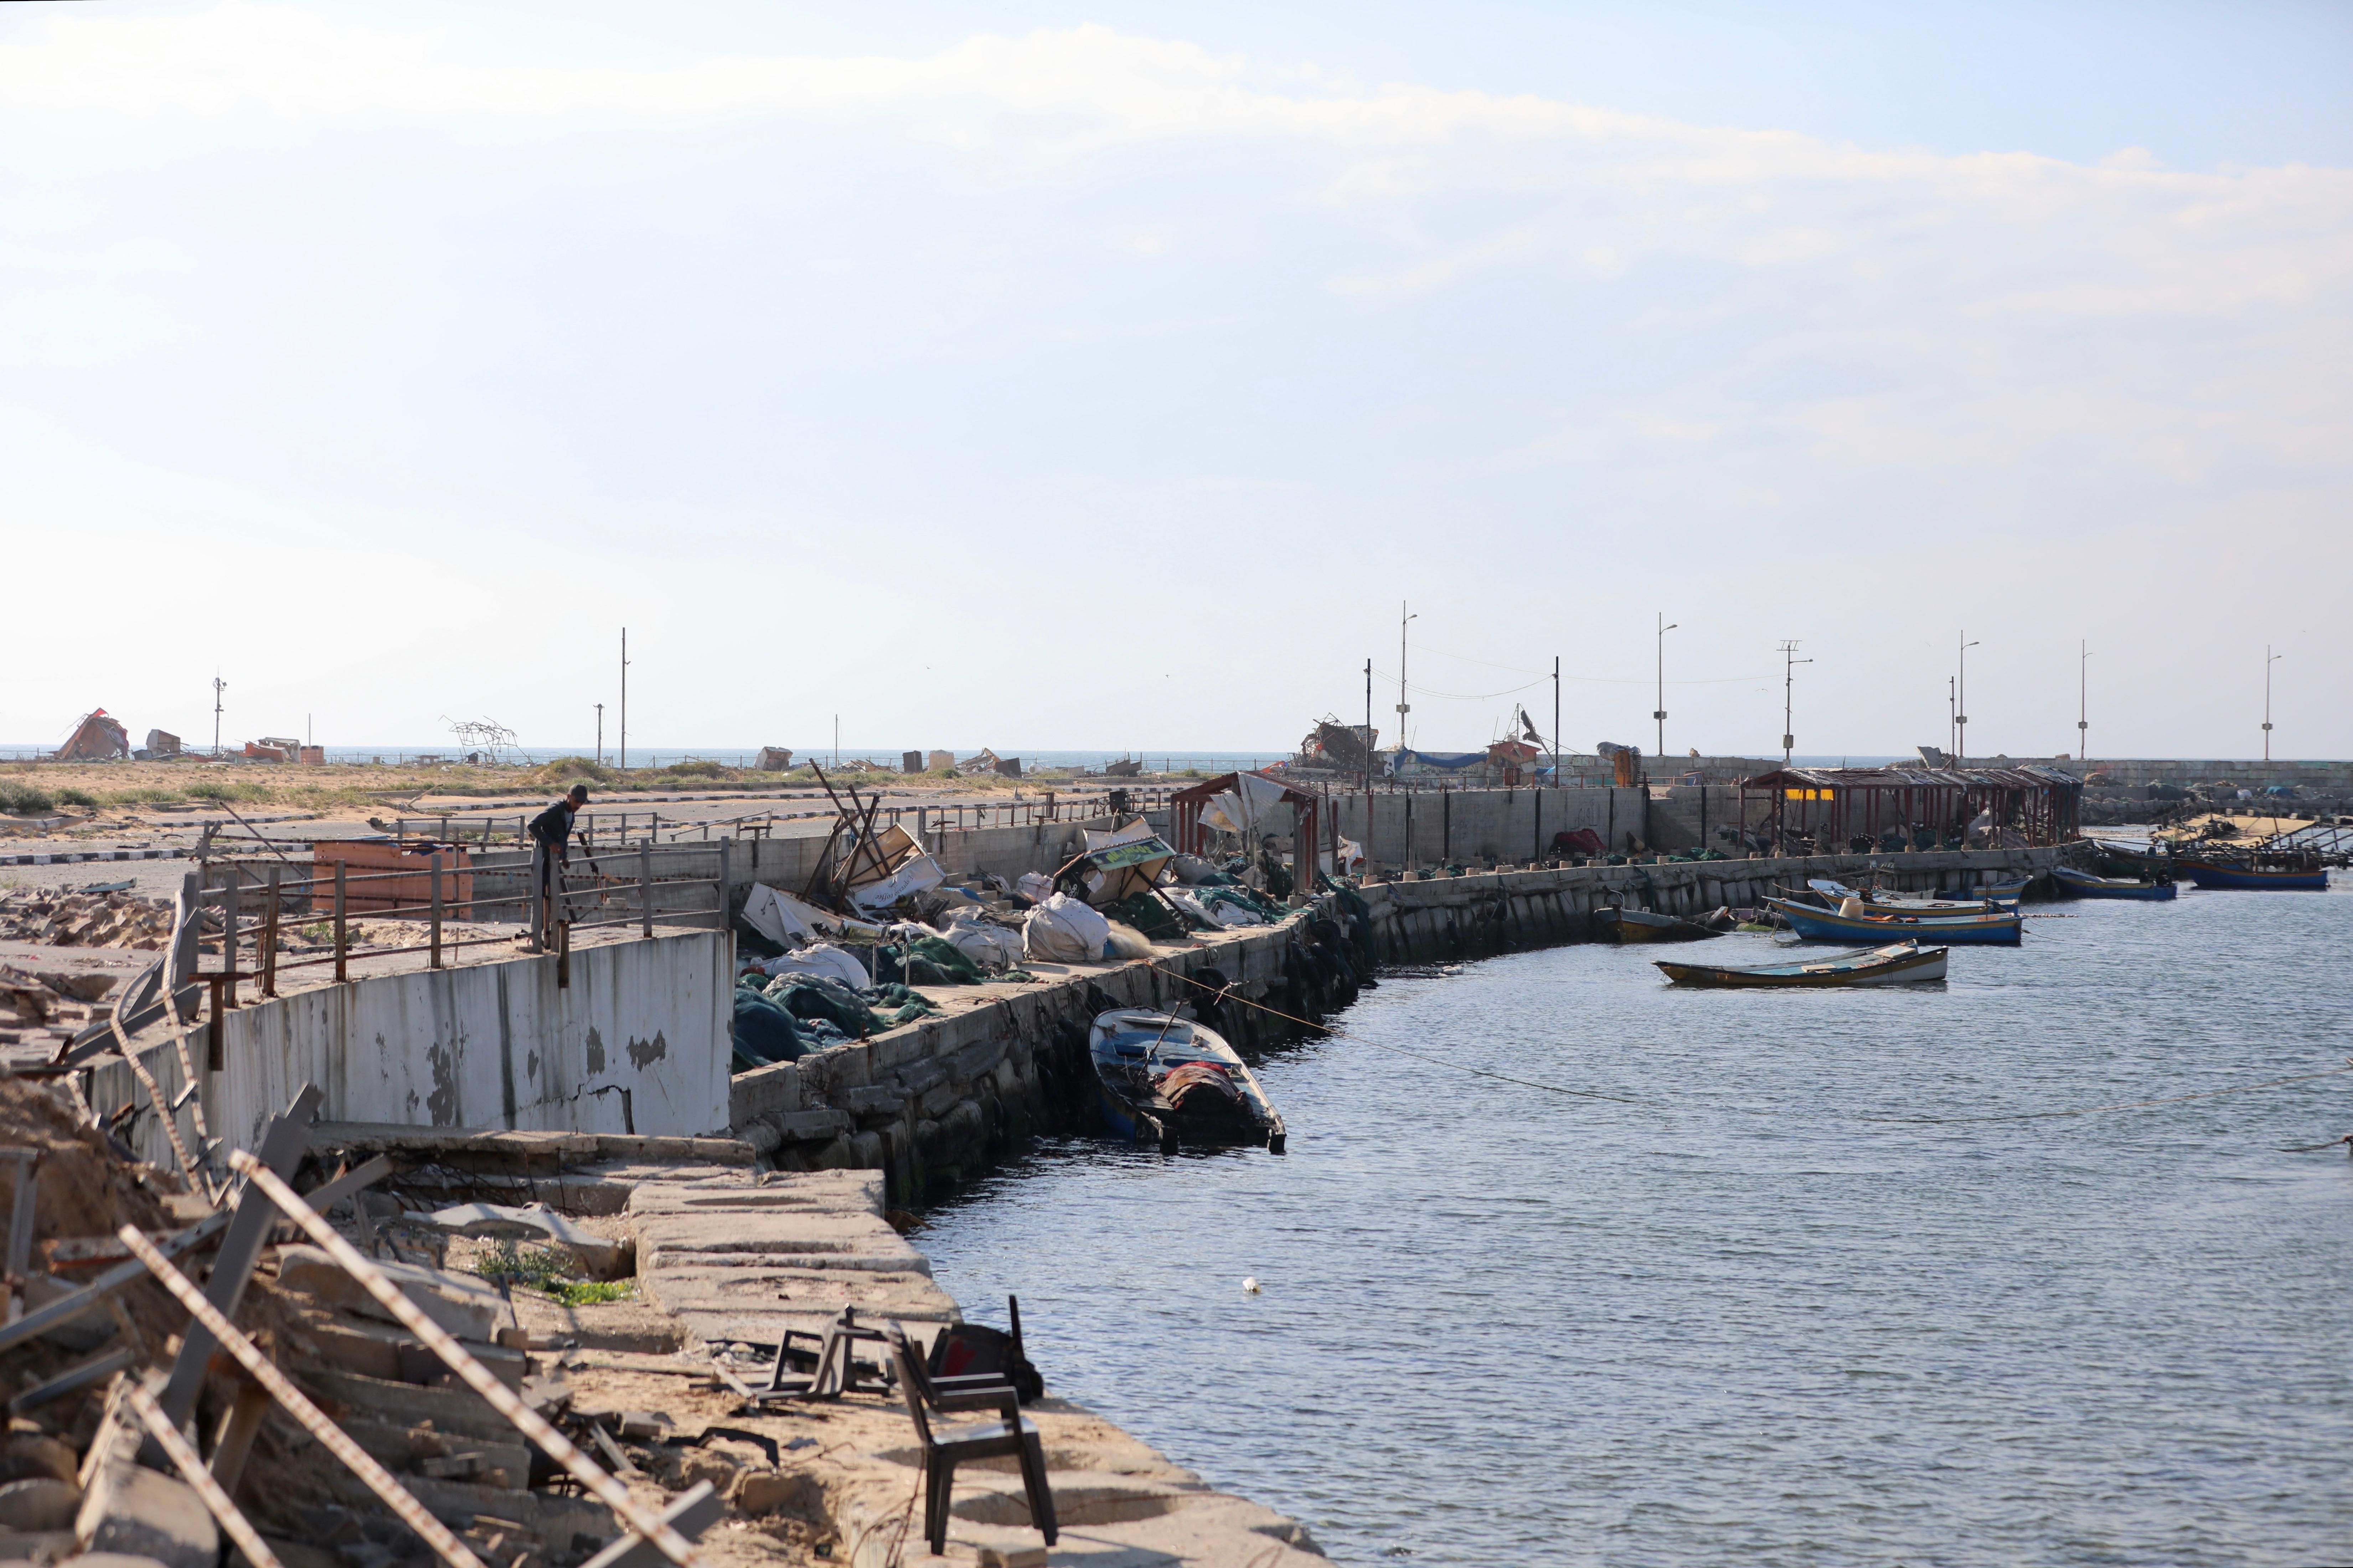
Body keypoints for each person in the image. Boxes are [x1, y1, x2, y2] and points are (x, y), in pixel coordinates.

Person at [527, 784, 589, 940]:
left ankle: (549, 935)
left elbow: (562, 837)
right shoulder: (556, 809)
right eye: (577, 801)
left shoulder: (570, 814)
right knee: (540, 898)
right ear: (568, 797)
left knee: (552, 899)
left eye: (582, 803)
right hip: (542, 859)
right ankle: (536, 936)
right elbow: (533, 826)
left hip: (555, 861)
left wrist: (565, 856)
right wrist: (549, 844)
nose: (579, 805)